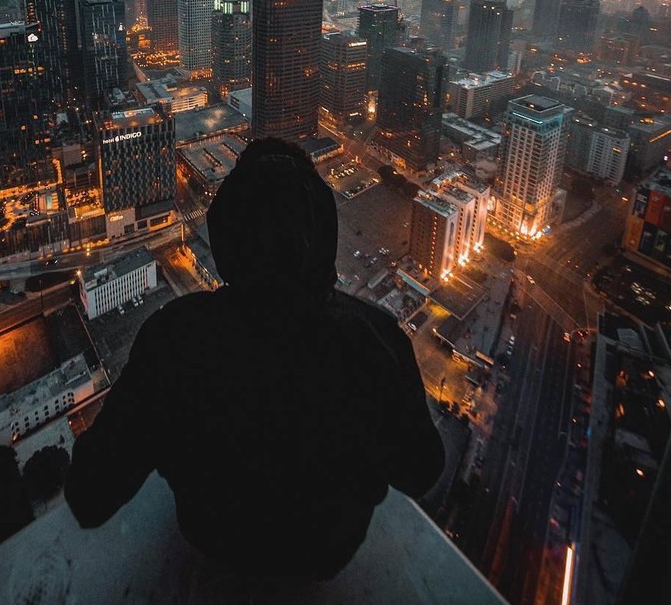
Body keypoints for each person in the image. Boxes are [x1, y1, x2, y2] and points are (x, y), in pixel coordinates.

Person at [65, 138, 444, 581]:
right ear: (322, 233)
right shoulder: (373, 342)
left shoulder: (176, 339)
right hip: (324, 560)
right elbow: (421, 471)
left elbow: (89, 496)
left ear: (226, 232)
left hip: (212, 547)